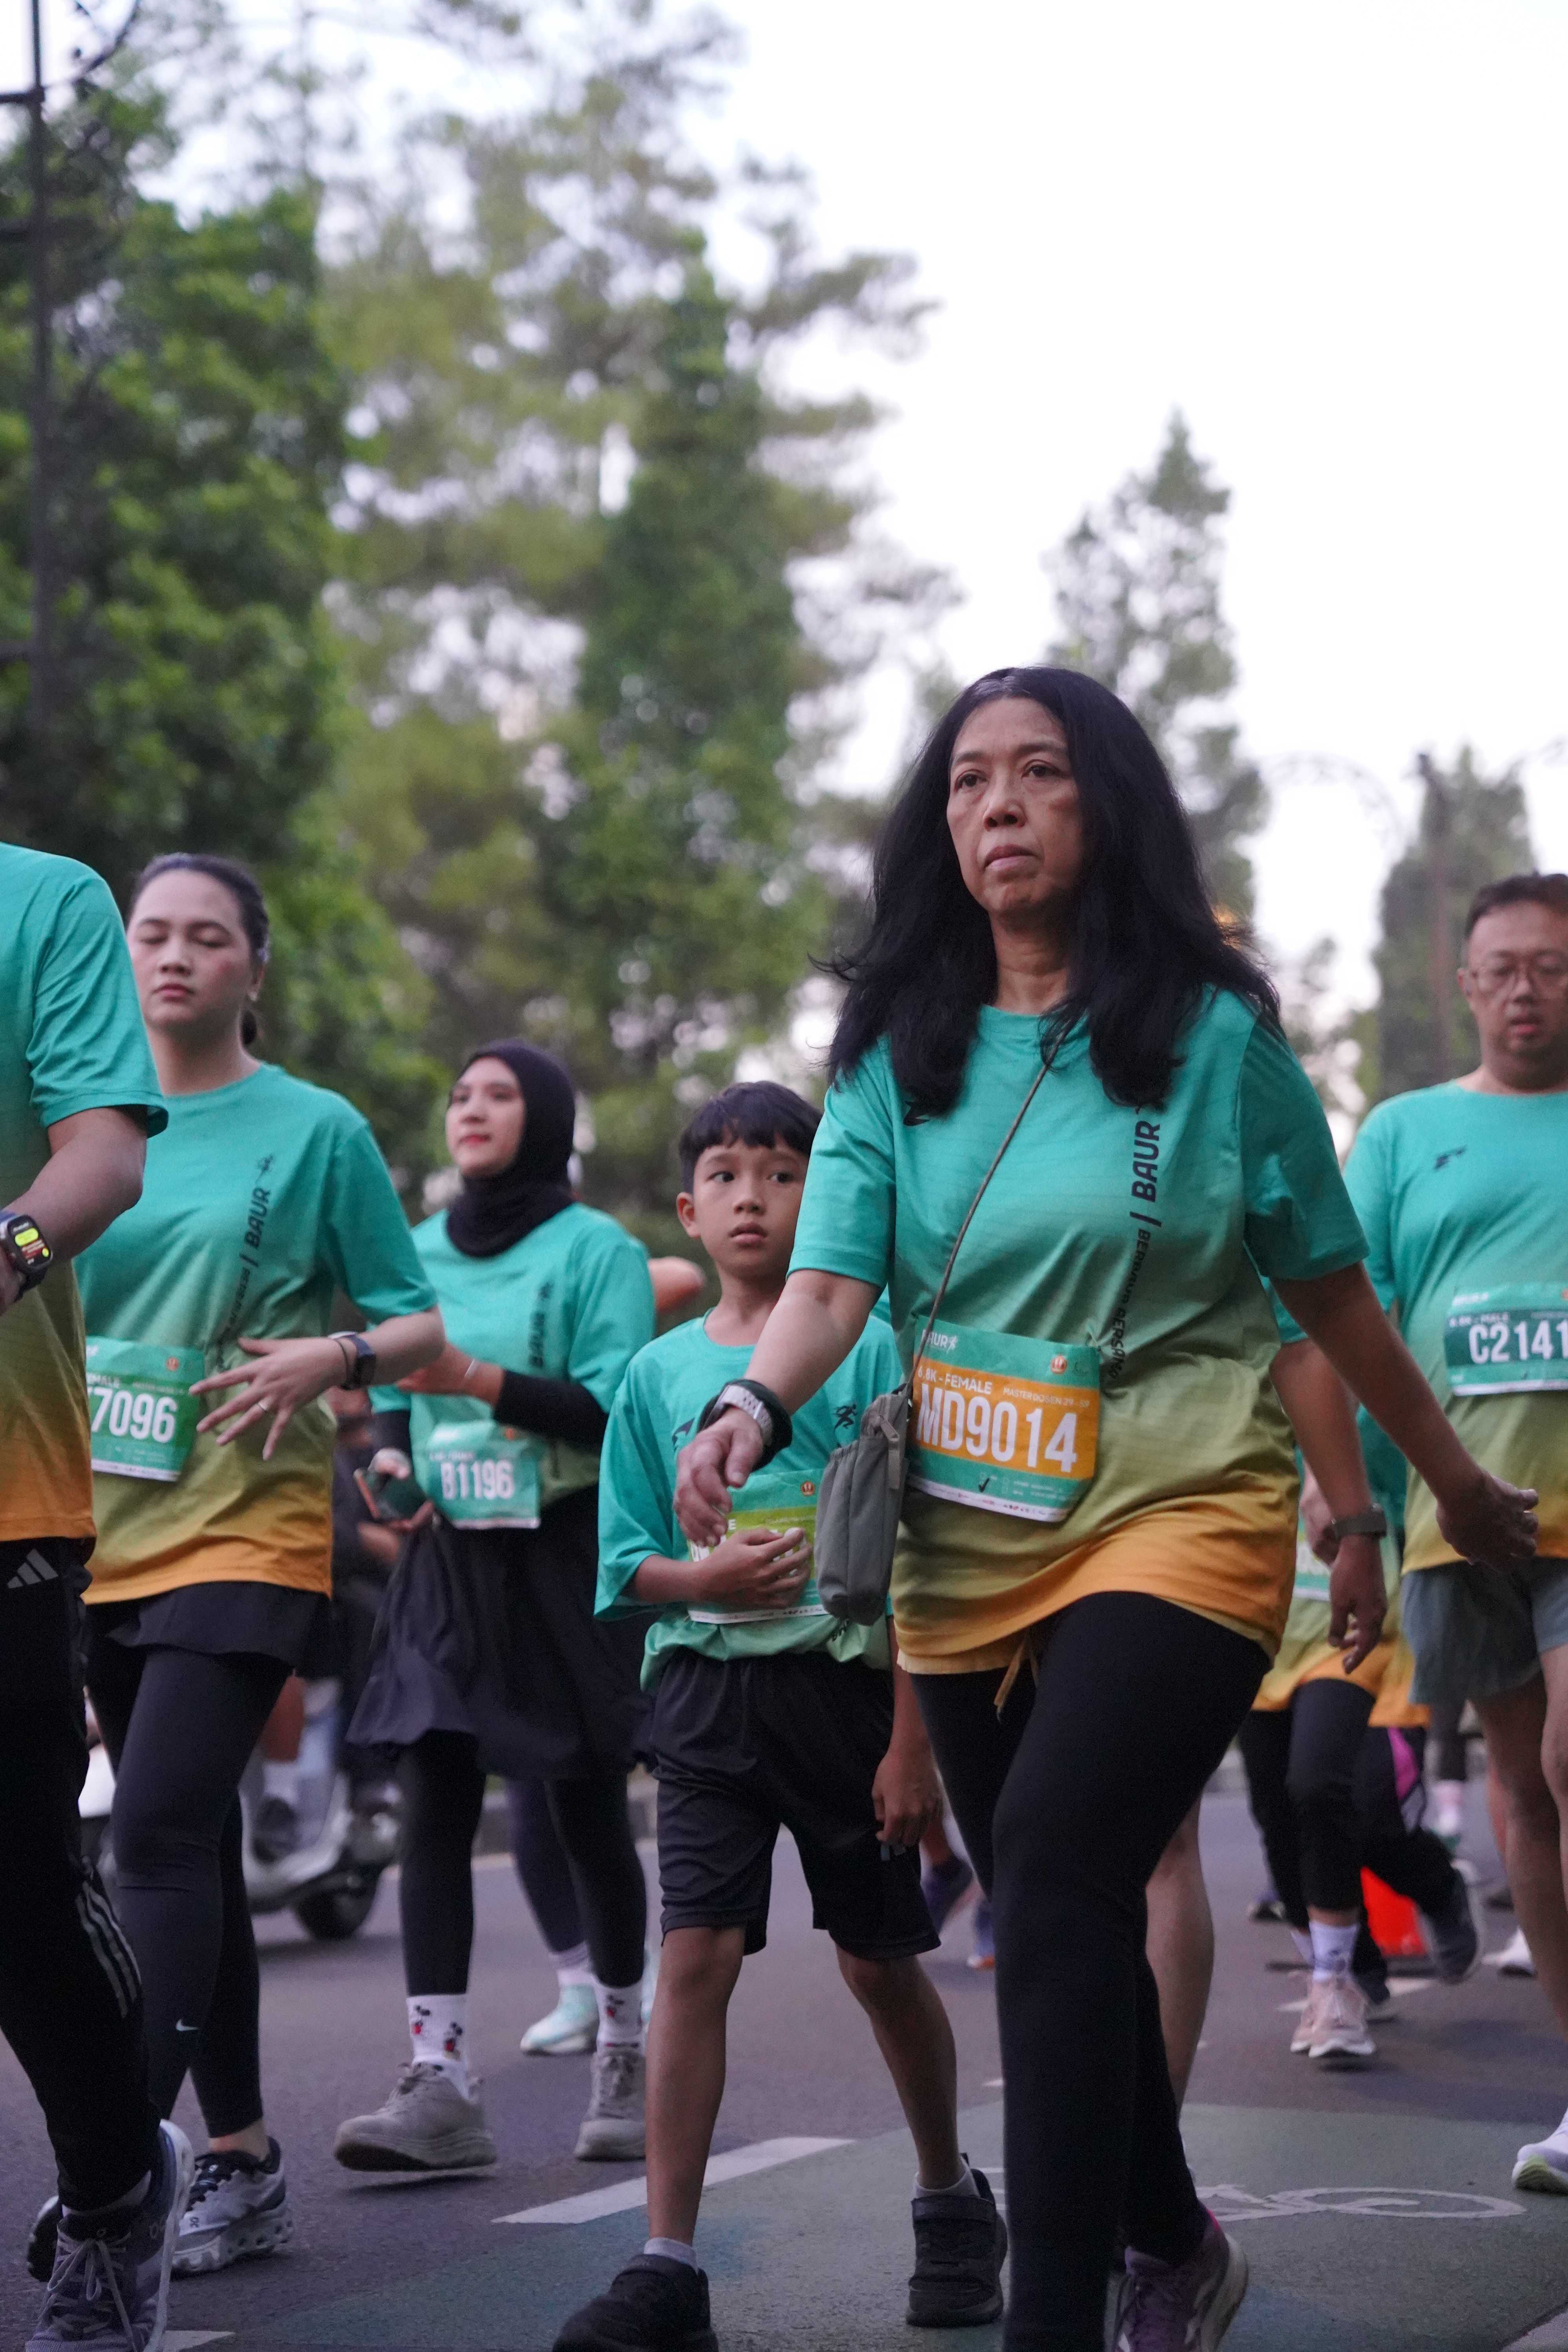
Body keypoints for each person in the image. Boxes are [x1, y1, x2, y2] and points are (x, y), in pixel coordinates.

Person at [673, 669, 1537, 2352]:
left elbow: (1328, 1293)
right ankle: (1170, 2235)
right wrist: (746, 1404)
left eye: (1040, 774)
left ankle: (1051, 2322)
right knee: (1056, 1903)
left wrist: (1428, 1485)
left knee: (1061, 1865)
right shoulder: (893, 1053)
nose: (997, 805)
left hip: (1181, 1505)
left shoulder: (1213, 1041)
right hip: (964, 1533)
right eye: (968, 781)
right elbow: (831, 1287)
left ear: (1108, 803)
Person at [555, 1082, 1004, 2352]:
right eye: (727, 1176)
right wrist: (701, 1582)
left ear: (826, 1199)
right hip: (703, 1702)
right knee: (693, 1958)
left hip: (847, 1697)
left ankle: (950, 2201)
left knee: (879, 1964)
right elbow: (625, 1564)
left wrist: (913, 1743)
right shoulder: (654, 1375)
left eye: (783, 1173)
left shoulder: (869, 1351)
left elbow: (919, 1558)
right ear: (688, 1210)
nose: (753, 1197)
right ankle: (666, 2265)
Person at [72, 853, 443, 2281]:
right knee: (194, 1851)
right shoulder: (74, 1125)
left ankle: (118, 2181)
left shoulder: (317, 1129)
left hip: (247, 1524)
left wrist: (333, 1355)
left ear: (253, 969)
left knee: (157, 1830)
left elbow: (415, 1322)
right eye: (151, 935)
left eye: (206, 937)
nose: (173, 957)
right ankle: (241, 2156)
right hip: (89, 1529)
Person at [336, 1039, 655, 2172]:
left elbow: (616, 1408)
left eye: (500, 1094)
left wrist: (473, 1379)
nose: (470, 1108)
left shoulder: (597, 1250)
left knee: (583, 1807)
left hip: (562, 1550)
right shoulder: (416, 1251)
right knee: (433, 1791)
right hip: (448, 1556)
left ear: (548, 1117)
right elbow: (392, 1389)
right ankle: (440, 2079)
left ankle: (626, 2047)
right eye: (460, 1092)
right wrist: (388, 1457)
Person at [1345, 870, 1568, 2191]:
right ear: (1469, 985)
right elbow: (1351, 1322)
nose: (1526, 990)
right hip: (1454, 1522)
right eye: (1504, 968)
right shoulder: (1402, 1132)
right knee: (1525, 1793)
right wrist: (1355, 1509)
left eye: (1552, 965)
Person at [0, 841, 193, 2352]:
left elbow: (104, 1159)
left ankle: (120, 2188)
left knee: (12, 1886)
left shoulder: (43, 901)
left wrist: (6, 1249)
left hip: (8, 1482)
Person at [1236, 1311, 1480, 2069]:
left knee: (1335, 1793)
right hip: (1259, 1612)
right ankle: (1346, 1964)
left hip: (1361, 1613)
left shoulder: (1371, 1354)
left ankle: (1420, 1901)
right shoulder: (1230, 1350)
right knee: (1278, 1811)